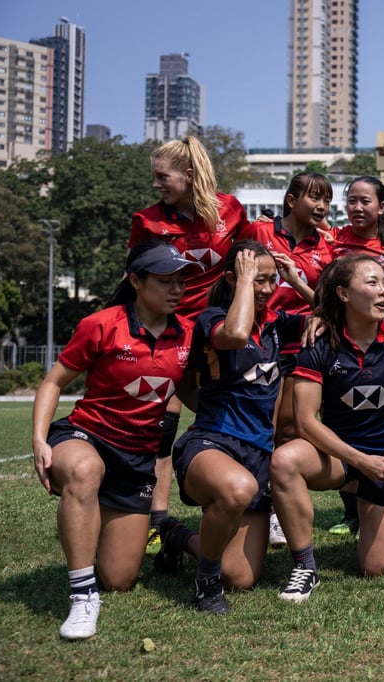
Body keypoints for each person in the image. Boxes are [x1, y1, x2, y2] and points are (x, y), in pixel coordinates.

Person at [31, 241, 199, 640]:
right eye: (165, 281)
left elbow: (192, 393)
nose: (176, 289)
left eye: (180, 281)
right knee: (86, 470)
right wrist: (39, 439)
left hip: (137, 456)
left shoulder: (190, 334)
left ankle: (108, 530)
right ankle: (82, 596)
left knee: (120, 578)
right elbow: (54, 381)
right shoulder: (102, 324)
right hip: (86, 435)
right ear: (136, 282)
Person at [154, 240, 308, 614]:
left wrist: (296, 281)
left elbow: (341, 315)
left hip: (257, 455)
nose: (269, 290)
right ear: (234, 279)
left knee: (240, 576)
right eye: (259, 280)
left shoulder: (277, 323)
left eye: (273, 281)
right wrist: (243, 281)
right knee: (238, 488)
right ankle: (205, 582)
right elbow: (236, 335)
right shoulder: (211, 320)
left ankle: (177, 536)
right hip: (211, 445)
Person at [270, 254, 384, 600]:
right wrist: (359, 459)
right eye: (372, 283)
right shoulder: (318, 342)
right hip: (337, 456)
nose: (383, 291)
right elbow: (305, 421)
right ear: (343, 294)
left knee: (375, 566)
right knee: (284, 460)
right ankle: (305, 566)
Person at [129, 135, 249, 556]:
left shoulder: (231, 209)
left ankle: (251, 500)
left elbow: (249, 260)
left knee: (237, 412)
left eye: (163, 177)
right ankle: (156, 518)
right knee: (161, 425)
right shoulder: (146, 220)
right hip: (170, 335)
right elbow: (135, 280)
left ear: (190, 175)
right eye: (155, 177)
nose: (157, 185)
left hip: (219, 334)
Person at [240, 171, 333, 547]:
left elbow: (326, 309)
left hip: (299, 341)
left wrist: (297, 282)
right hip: (256, 338)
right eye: (314, 197)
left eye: (326, 199)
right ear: (292, 200)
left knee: (290, 429)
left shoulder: (326, 247)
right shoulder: (259, 232)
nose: (322, 206)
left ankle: (277, 511)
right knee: (259, 426)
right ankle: (252, 503)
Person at [325, 175, 384, 535]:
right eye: (351, 200)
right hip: (342, 340)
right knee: (343, 418)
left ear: (381, 207)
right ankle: (350, 510)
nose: (356, 207)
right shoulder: (334, 239)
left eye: (365, 201)